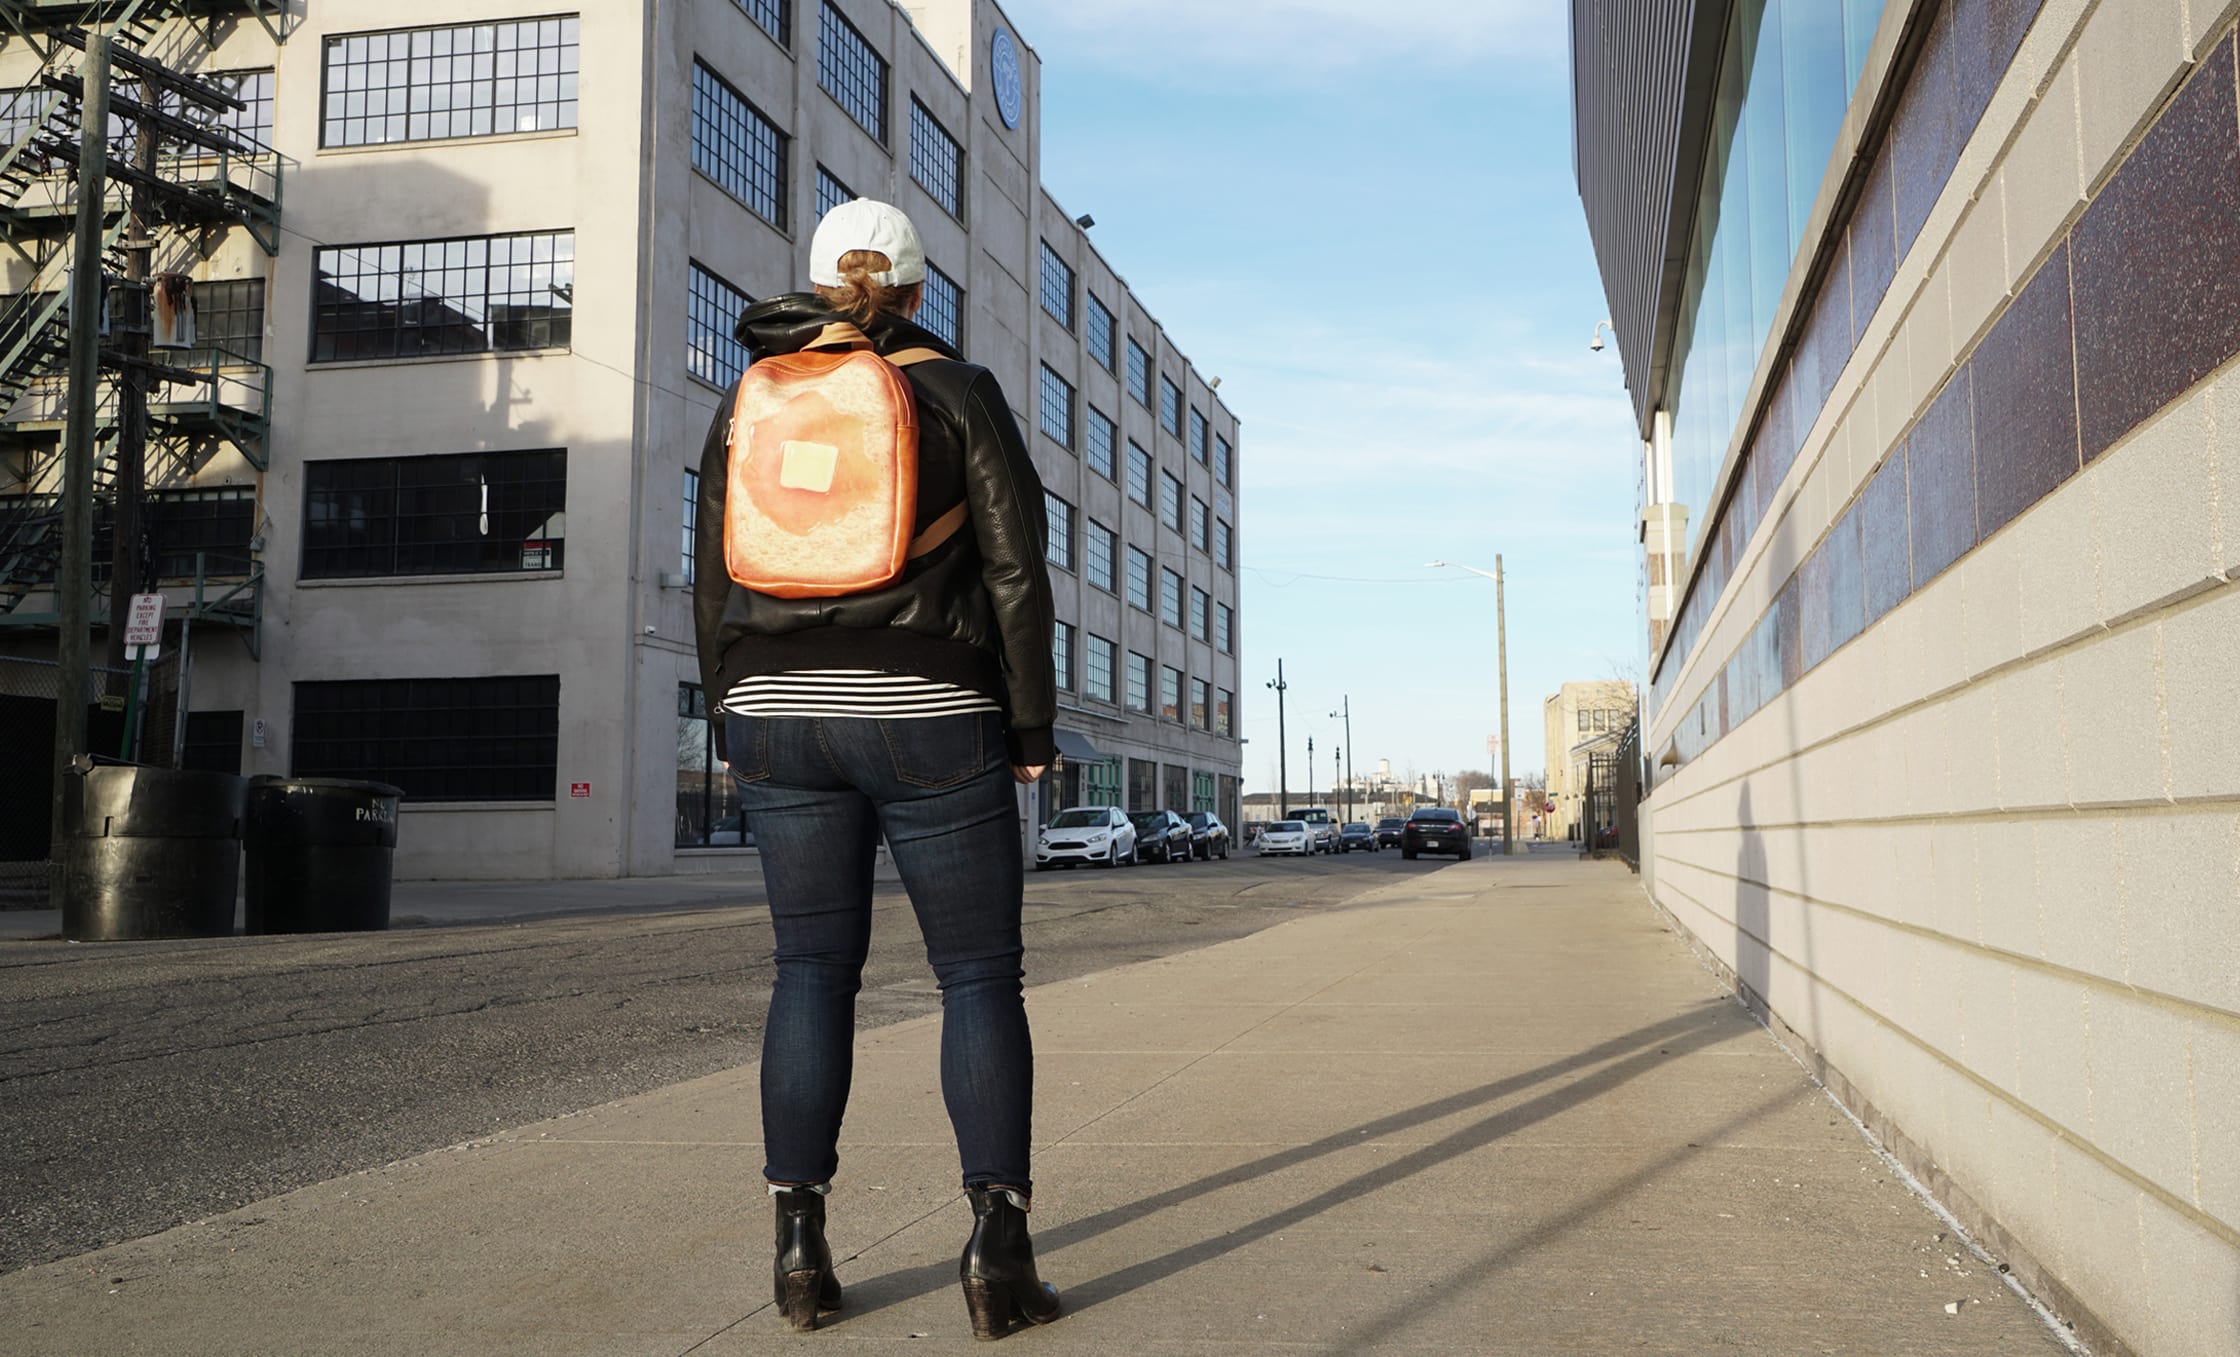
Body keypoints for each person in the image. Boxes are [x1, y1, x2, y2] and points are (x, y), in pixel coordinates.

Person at [692, 199, 1063, 1341]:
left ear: (815, 281)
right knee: (975, 977)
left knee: (809, 970)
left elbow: (711, 566)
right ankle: (997, 1250)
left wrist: (729, 707)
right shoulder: (956, 390)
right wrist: (1028, 726)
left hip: (772, 708)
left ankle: (799, 1249)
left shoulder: (749, 393)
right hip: (926, 706)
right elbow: (1013, 570)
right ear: (913, 292)